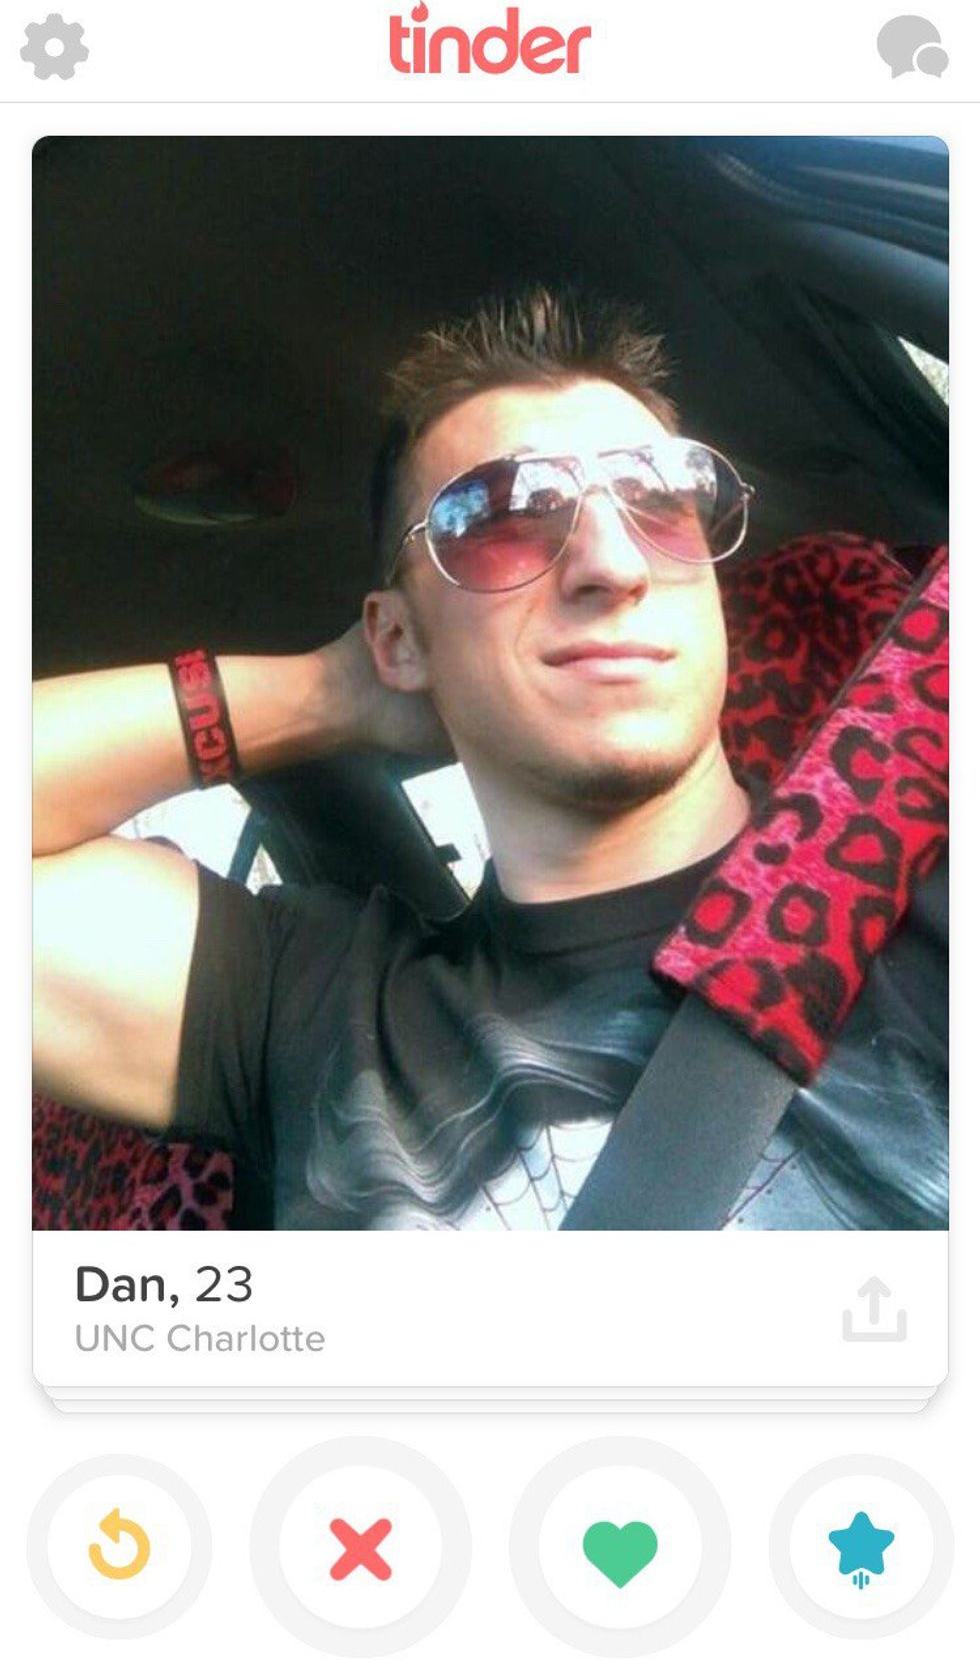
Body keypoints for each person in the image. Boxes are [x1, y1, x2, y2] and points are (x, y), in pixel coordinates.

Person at [32, 289, 947, 1231]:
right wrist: (333, 690)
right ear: (396, 638)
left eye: (660, 496)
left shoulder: (929, 897)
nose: (615, 564)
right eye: (505, 515)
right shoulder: (317, 1007)